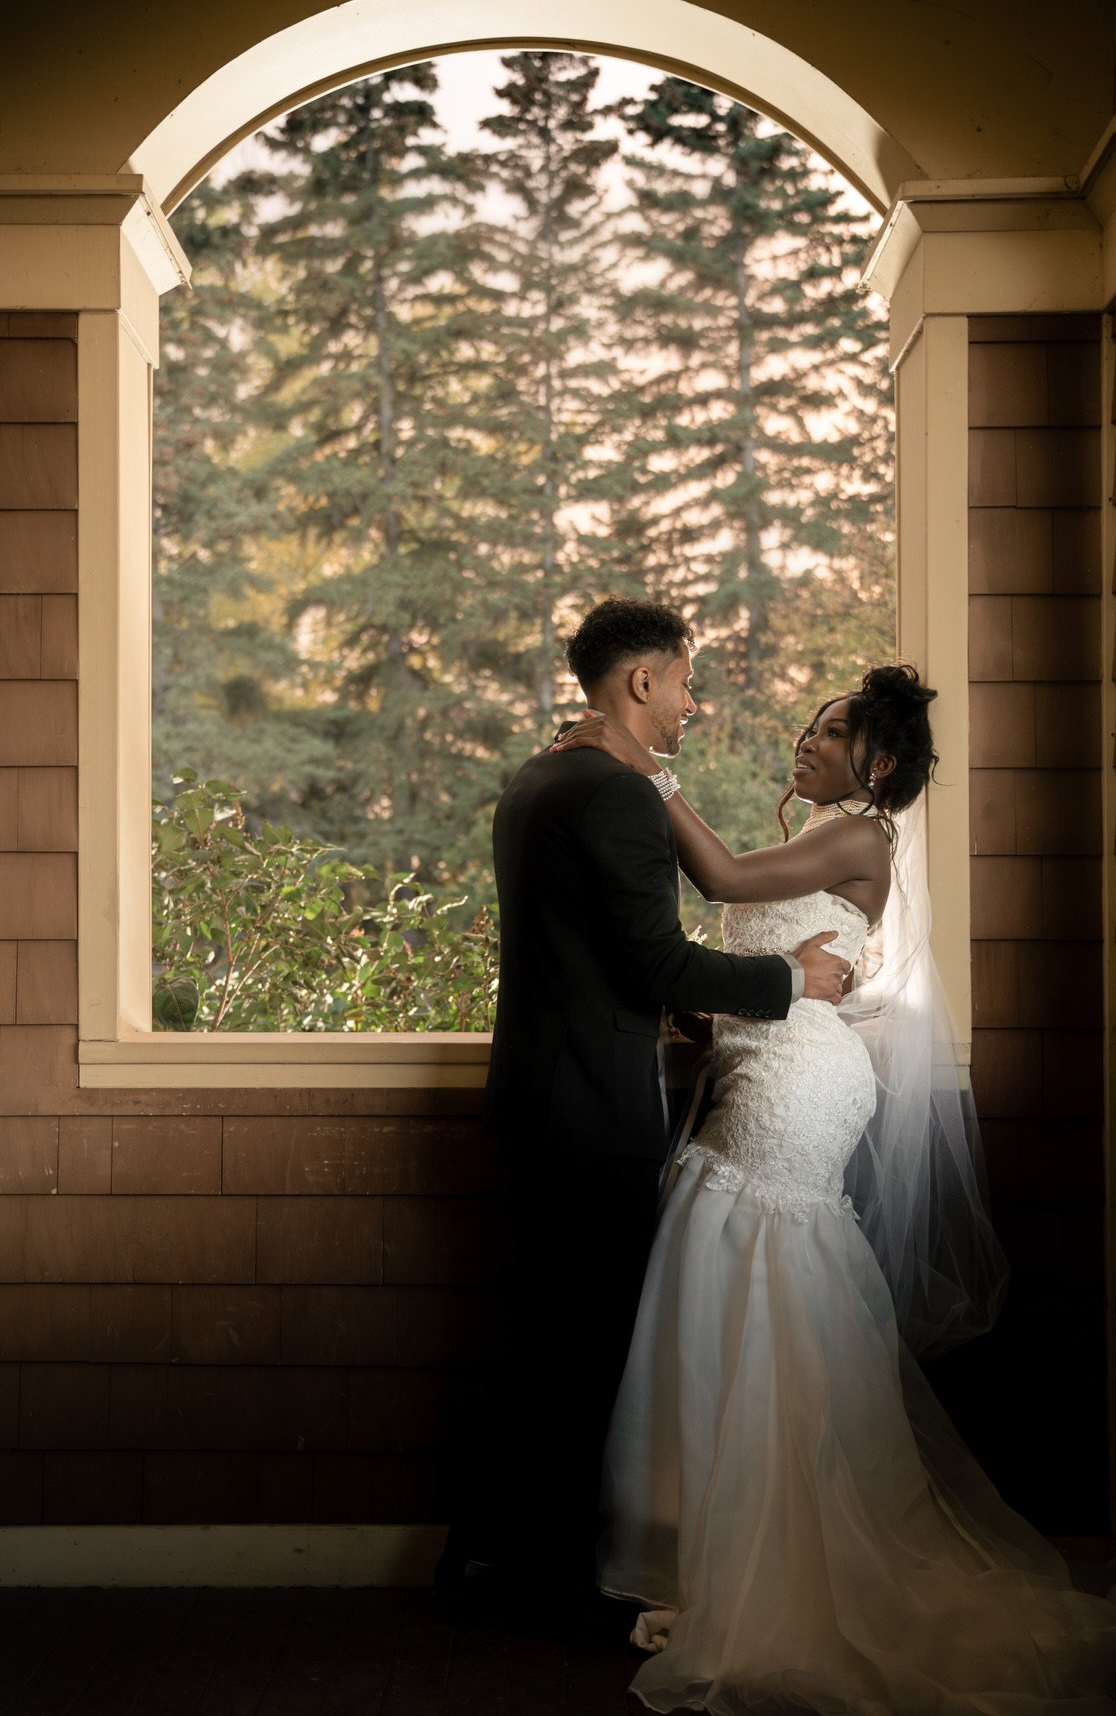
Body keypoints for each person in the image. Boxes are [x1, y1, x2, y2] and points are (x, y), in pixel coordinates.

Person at [552, 665, 1116, 1714]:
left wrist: (642, 765)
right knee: (730, 1291)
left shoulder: (860, 834)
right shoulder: (829, 837)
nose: (806, 738)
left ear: (880, 762)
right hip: (768, 1067)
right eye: (807, 723)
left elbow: (716, 880)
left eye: (833, 728)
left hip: (796, 1095)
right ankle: (724, 1546)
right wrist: (714, 1015)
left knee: (758, 1275)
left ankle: (778, 1558)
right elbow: (768, 947)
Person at [435, 597, 850, 1635]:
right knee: (584, 1352)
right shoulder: (613, 792)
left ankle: (488, 1560)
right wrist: (790, 979)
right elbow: (654, 956)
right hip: (588, 1108)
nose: (692, 705)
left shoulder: (541, 776)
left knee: (547, 1340)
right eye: (686, 682)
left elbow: (591, 947)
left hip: (541, 1093)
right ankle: (542, 1582)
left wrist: (694, 1012)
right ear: (641, 682)